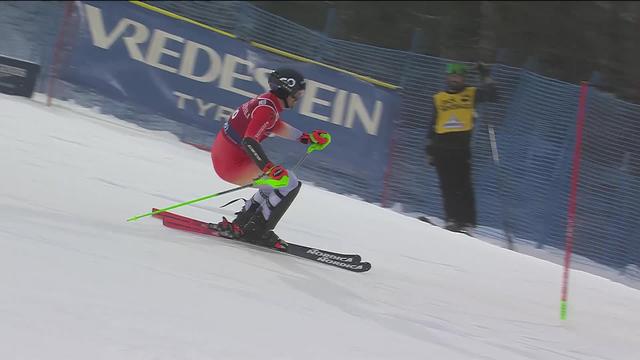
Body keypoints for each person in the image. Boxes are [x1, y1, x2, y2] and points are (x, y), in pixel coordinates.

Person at [210, 68, 331, 250]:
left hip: (228, 157)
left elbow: (276, 125)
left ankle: (244, 221)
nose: (298, 98)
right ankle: (258, 230)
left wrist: (306, 138)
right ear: (285, 89)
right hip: (232, 164)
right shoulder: (267, 109)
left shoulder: (268, 103)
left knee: (276, 182)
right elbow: (249, 141)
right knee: (289, 183)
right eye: (297, 93)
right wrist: (268, 168)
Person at [425, 62, 497, 234]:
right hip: (441, 147)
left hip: (461, 148)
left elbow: (493, 95)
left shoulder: (470, 93)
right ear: (447, 78)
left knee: (463, 186)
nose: (454, 79)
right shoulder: (439, 98)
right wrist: (429, 149)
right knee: (447, 186)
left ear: (463, 78)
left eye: (458, 76)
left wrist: (485, 75)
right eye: (452, 76)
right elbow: (432, 124)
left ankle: (467, 223)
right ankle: (452, 220)